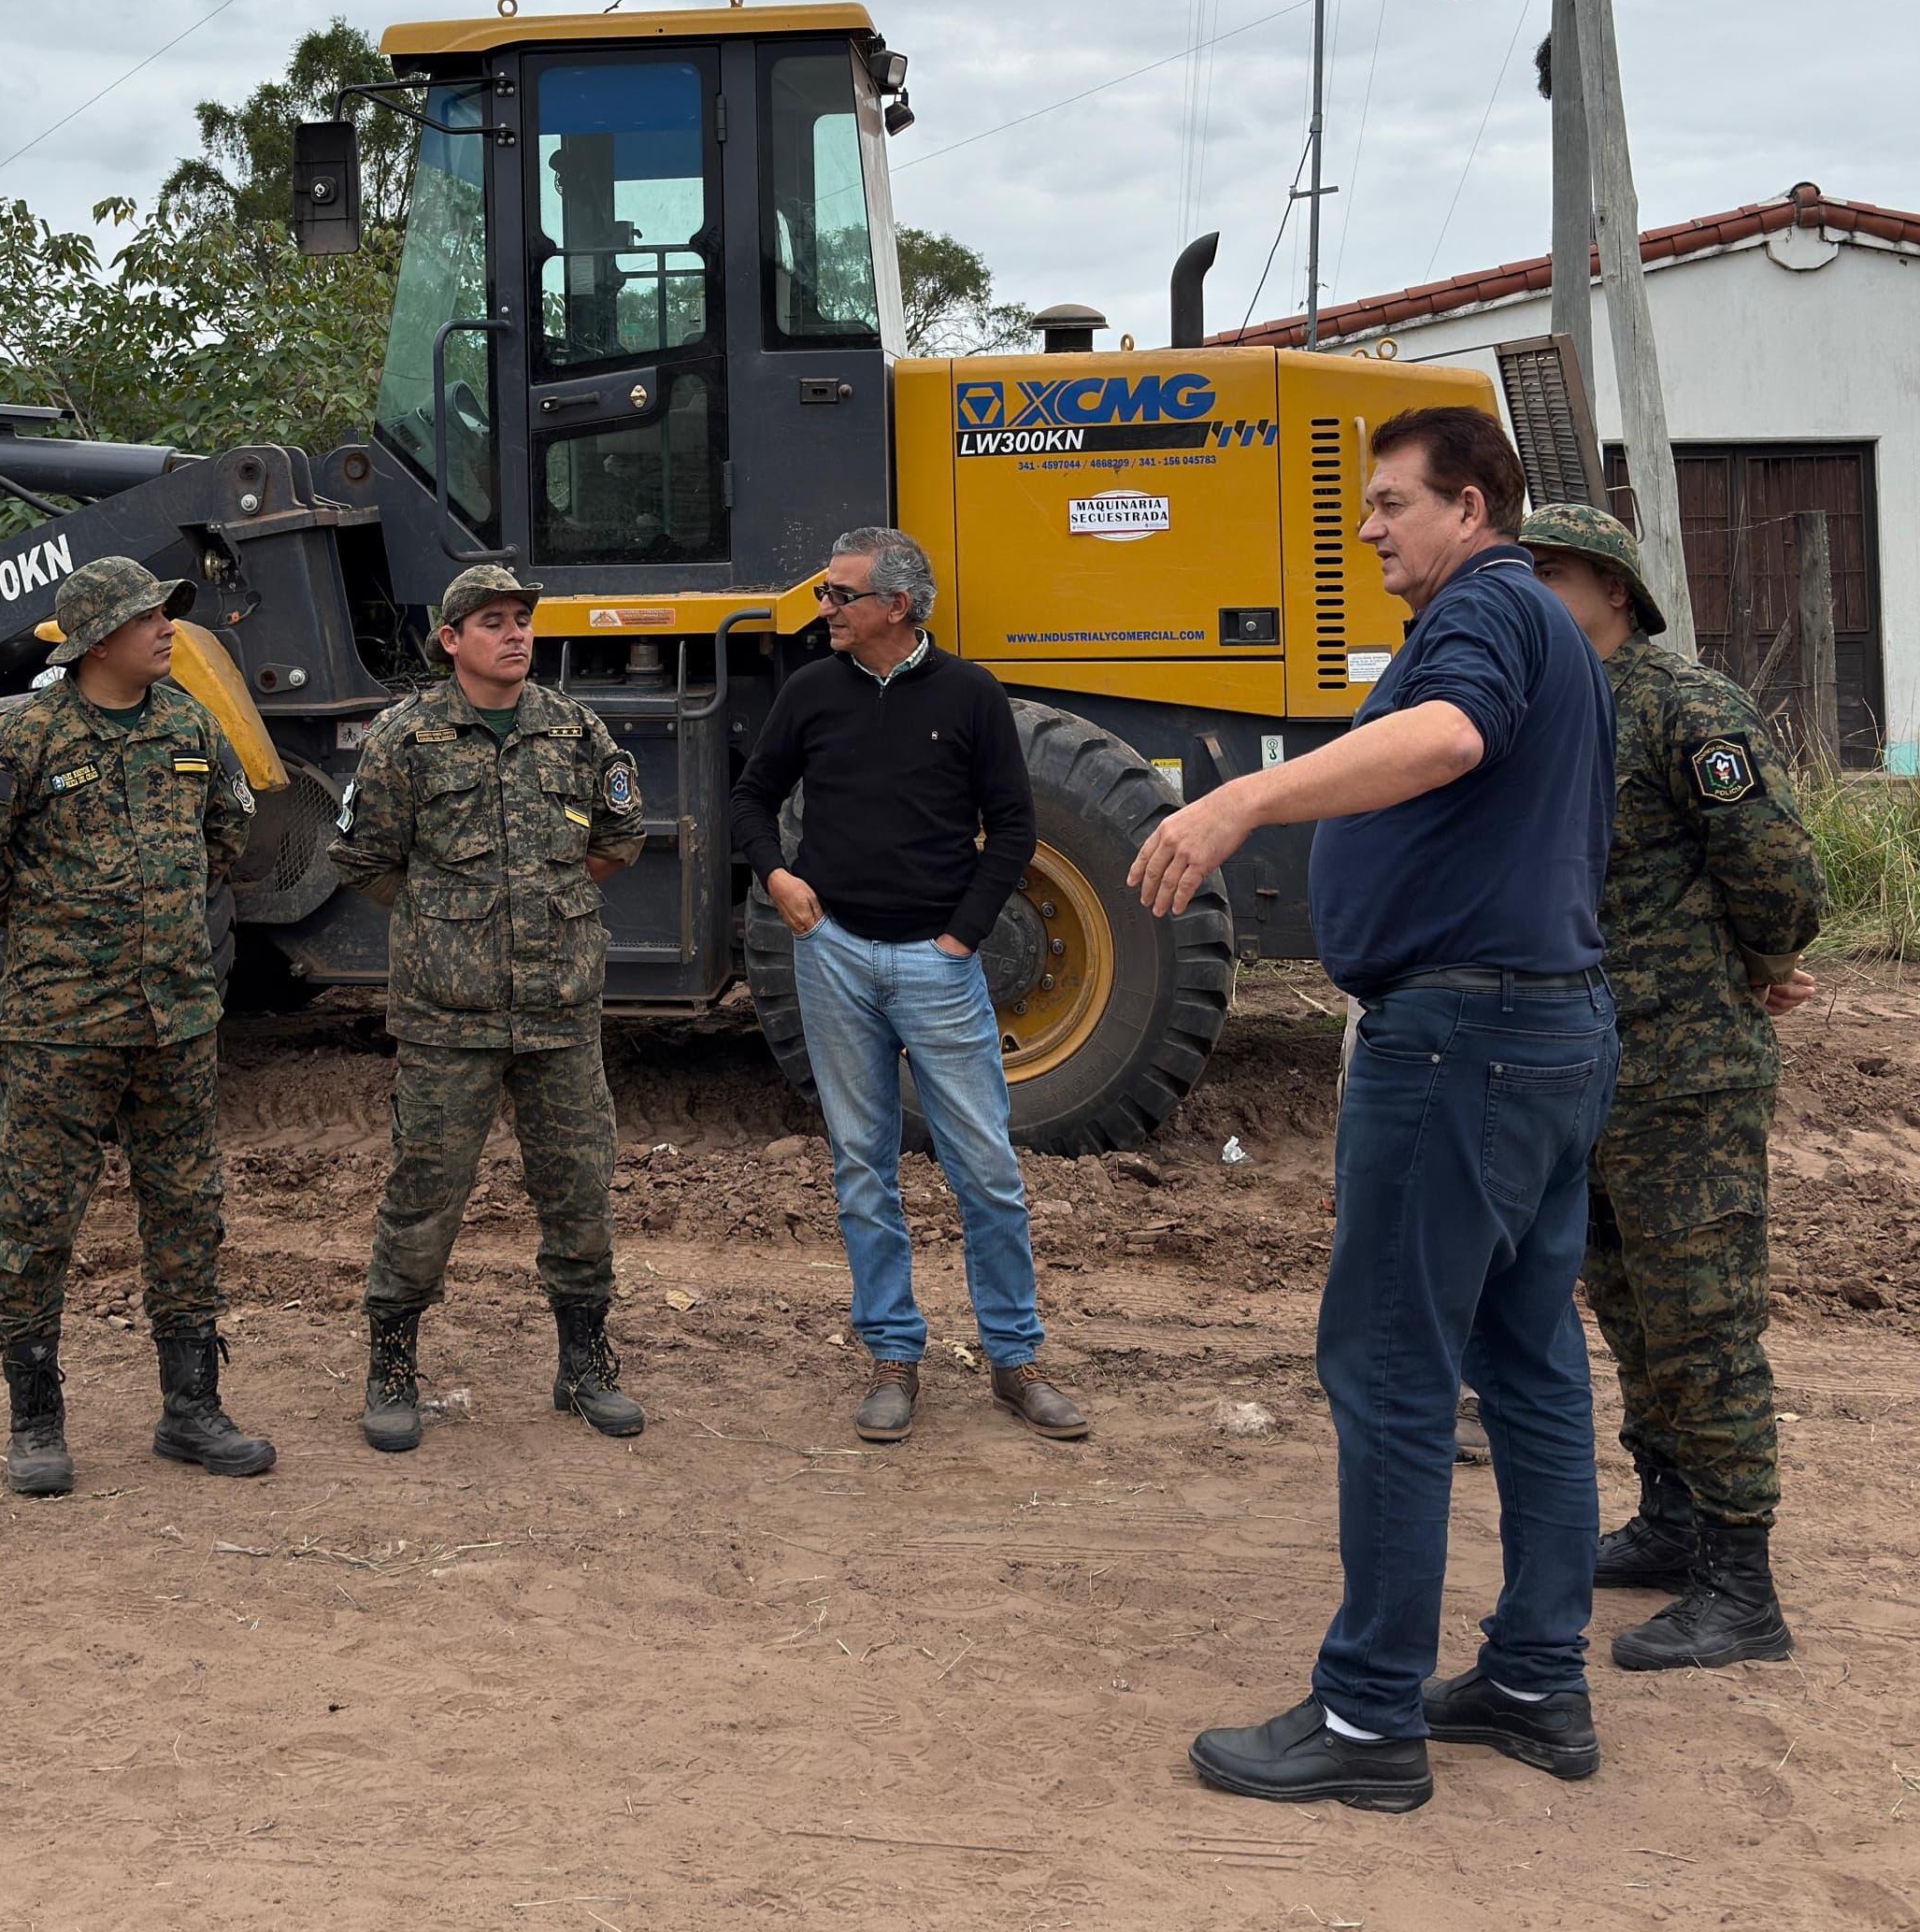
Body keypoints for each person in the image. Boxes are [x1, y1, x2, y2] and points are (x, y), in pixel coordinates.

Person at [1133, 408, 1616, 1812]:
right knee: (1527, 1359)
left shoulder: (1480, 617)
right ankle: (1535, 1677)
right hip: (1552, 1027)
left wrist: (1240, 805)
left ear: (1471, 507)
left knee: (1396, 1371)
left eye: (1393, 503)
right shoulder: (1552, 632)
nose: (1371, 530)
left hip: (1463, 1038)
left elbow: (1449, 740)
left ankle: (1365, 1720)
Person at [1521, 503, 1825, 1671]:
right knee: (1633, 1313)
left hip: (1685, 1074)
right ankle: (1671, 1516)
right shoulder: (1555, 702)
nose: (1531, 591)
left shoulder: (1683, 704)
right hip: (1587, 1064)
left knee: (1704, 1325)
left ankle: (1741, 1586)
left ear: (1610, 585)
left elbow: (1777, 874)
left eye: (1548, 573)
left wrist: (1762, 964)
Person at [728, 525, 1088, 1448]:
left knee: (988, 1172)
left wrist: (960, 938)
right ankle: (893, 1357)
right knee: (861, 1167)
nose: (824, 610)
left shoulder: (968, 695)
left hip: (937, 966)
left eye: (839, 595)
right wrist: (777, 877)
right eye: (825, 594)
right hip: (835, 955)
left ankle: (1015, 1362)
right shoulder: (810, 693)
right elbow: (750, 799)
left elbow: (1012, 828)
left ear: (897, 604)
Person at [0, 554, 271, 1496]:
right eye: (148, 616)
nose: (167, 628)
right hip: (61, 1024)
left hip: (176, 1018)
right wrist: (60, 920)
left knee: (188, 1214)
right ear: (96, 638)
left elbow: (225, 835)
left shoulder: (191, 725)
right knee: (35, 1221)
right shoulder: (21, 738)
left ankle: (191, 1410)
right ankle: (35, 1421)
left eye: (167, 614)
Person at [330, 563, 649, 1453]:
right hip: (447, 1016)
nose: (515, 634)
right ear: (451, 639)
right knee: (424, 1194)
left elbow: (621, 837)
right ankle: (392, 1366)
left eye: (522, 619)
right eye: (493, 621)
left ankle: (584, 1363)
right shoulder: (407, 735)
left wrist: (540, 901)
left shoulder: (575, 730)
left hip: (560, 1009)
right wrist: (448, 918)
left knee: (580, 1191)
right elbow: (362, 858)